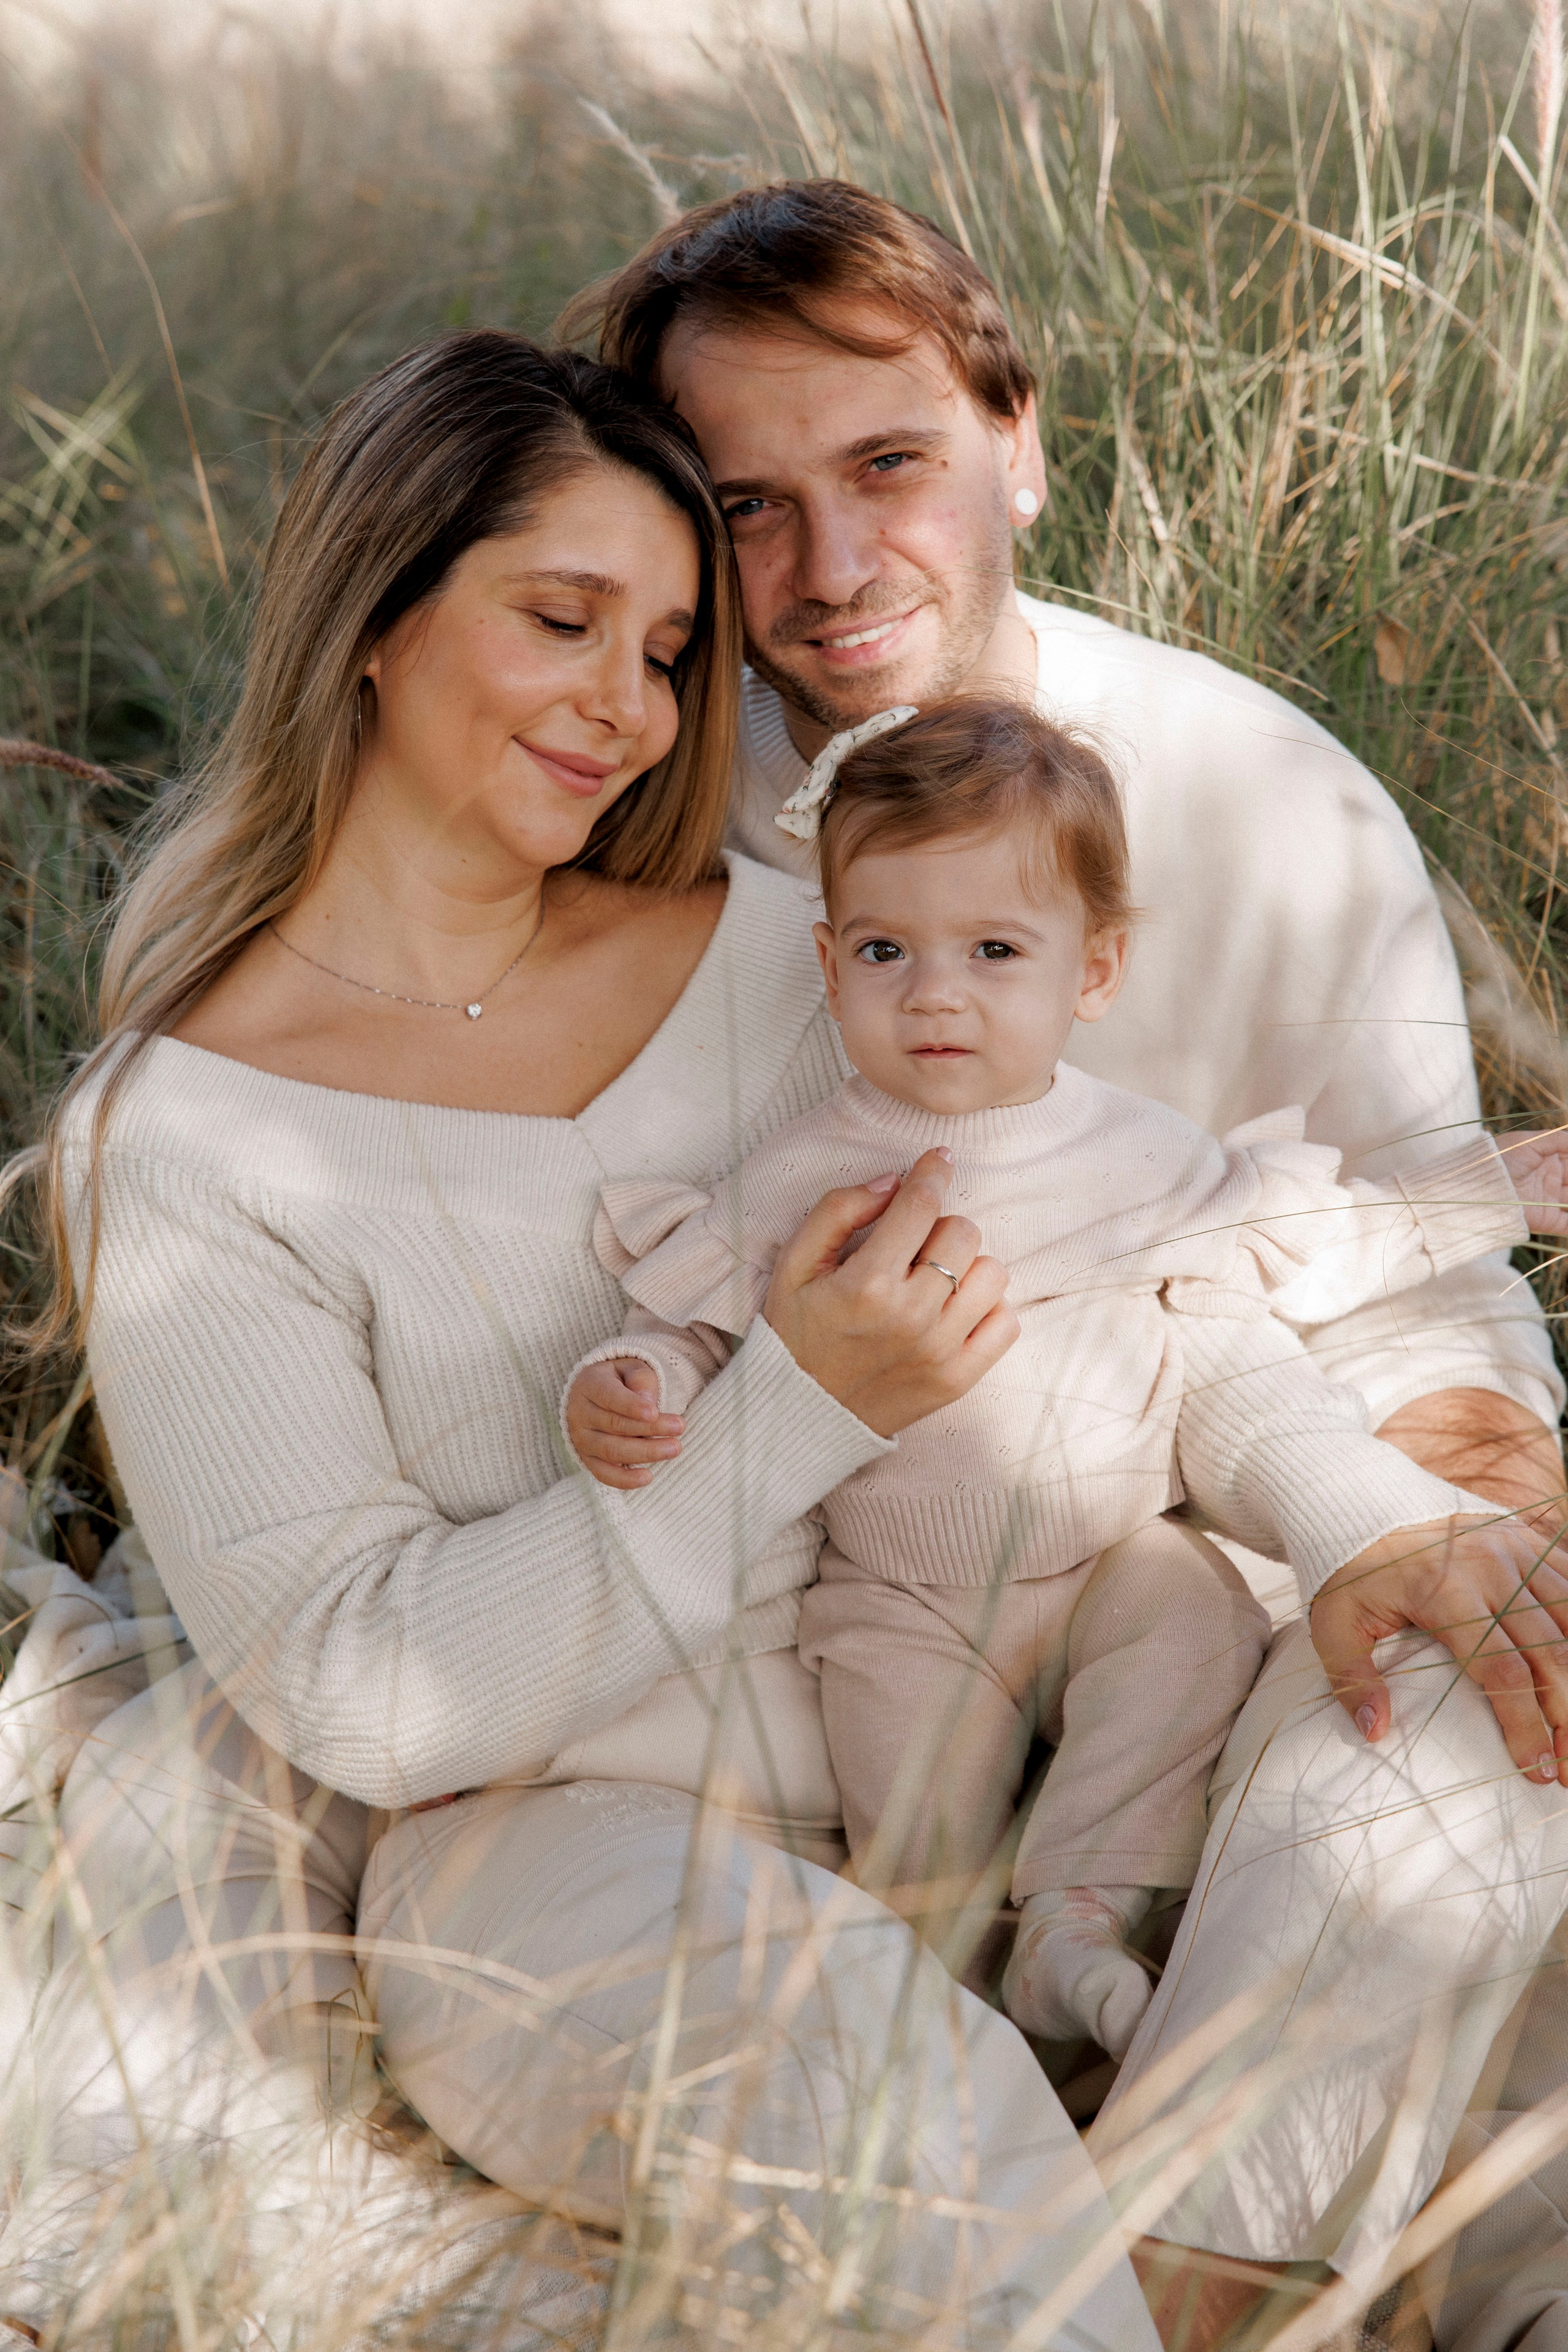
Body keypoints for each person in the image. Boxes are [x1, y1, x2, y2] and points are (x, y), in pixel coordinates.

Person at [10, 328, 1167, 2349]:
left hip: (1001, 1730)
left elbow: (1101, 1207)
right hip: (555, 1859)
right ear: (372, 616)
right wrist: (789, 1414)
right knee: (893, 2114)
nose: (626, 711)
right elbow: (365, 1689)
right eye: (563, 620)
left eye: (664, 655)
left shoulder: (788, 955)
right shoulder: (190, 1134)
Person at [564, 179, 1568, 2344]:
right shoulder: (630, 817)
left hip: (1212, 1532)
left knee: (1473, 1708)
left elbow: (1414, 1256)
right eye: (744, 507)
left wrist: (1446, 1500)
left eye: (890, 466)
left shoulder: (1260, 795)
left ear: (1017, 434)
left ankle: (1168, 2277)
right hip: (827, 1598)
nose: (831, 574)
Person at [563, 690, 1552, 2067]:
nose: (935, 993)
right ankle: (945, 2006)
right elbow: (698, 1327)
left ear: (1091, 970)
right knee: (912, 1821)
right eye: (884, 950)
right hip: (900, 1591)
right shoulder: (806, 1171)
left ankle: (1079, 1917)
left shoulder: (1140, 1153)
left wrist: (1480, 1196)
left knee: (1192, 1624)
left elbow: (1296, 1245)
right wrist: (631, 1378)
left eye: (993, 950)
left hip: (1110, 1552)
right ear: (827, 959)